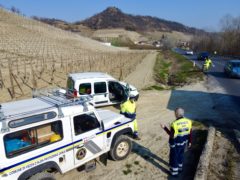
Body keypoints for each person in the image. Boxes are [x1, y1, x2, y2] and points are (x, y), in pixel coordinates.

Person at [161, 108, 192, 176]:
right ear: (183, 114)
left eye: (175, 113)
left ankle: (174, 172)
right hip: (184, 143)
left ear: (176, 114)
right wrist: (190, 142)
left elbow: (172, 135)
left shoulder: (174, 124)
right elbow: (190, 133)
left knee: (174, 157)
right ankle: (180, 168)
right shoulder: (189, 121)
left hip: (176, 144)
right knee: (181, 155)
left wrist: (164, 128)